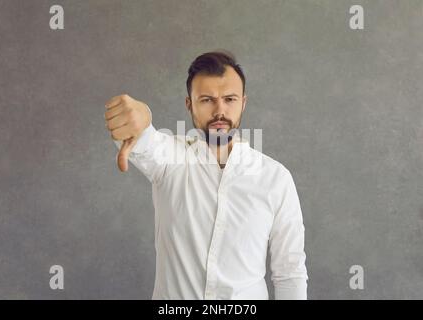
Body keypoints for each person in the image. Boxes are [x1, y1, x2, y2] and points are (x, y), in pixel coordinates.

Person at [104, 50, 308, 299]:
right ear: (189, 104)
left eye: (230, 99)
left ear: (243, 103)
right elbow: (144, 139)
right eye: (207, 100)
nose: (219, 111)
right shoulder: (170, 159)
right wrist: (142, 114)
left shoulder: (276, 179)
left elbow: (290, 273)